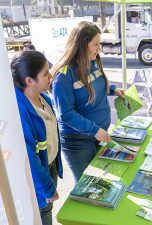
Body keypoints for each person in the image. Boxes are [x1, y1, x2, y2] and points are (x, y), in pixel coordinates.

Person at [51, 21, 124, 183]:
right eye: (96, 44)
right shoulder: (63, 76)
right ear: (81, 45)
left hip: (97, 135)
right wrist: (95, 130)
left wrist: (112, 90)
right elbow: (66, 114)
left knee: (101, 182)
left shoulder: (92, 62)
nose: (99, 49)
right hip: (78, 141)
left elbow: (93, 86)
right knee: (86, 185)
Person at [11, 50, 62, 225]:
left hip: (50, 166)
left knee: (47, 210)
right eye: (45, 73)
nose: (50, 76)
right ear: (29, 81)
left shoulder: (43, 97)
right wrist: (47, 188)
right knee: (42, 215)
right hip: (38, 177)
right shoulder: (21, 111)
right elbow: (30, 157)